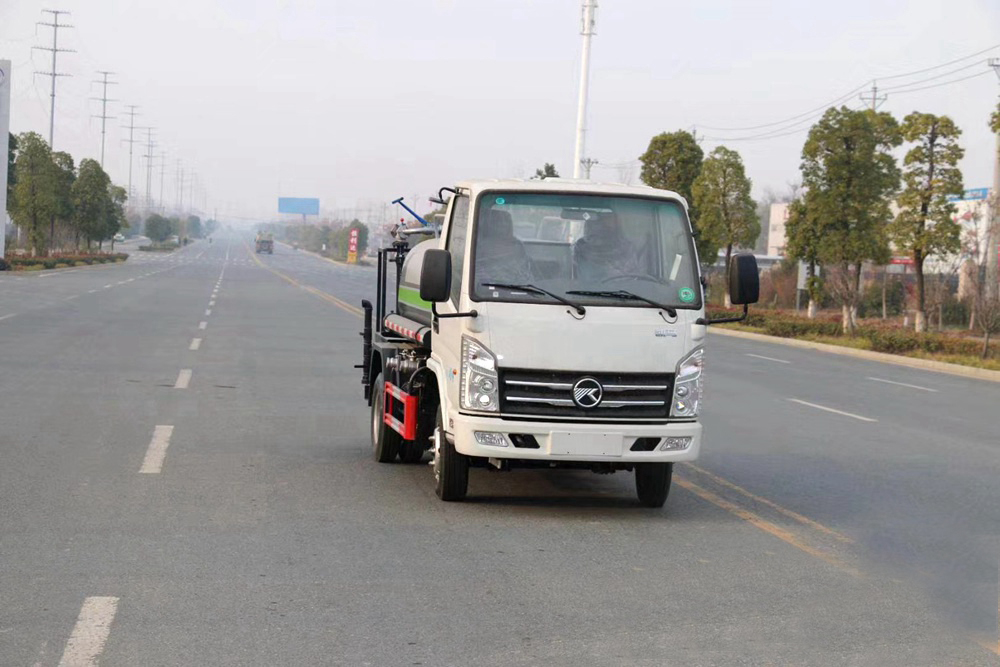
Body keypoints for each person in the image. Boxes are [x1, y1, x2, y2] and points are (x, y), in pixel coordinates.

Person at [572, 212, 642, 281]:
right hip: (586, 290)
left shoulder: (627, 248)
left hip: (624, 290)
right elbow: (574, 276)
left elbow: (633, 278)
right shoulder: (580, 248)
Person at [474, 209, 534, 286]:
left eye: (506, 221)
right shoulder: (480, 246)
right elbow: (477, 270)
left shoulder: (517, 245)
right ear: (491, 224)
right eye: (499, 221)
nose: (503, 224)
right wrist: (490, 282)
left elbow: (525, 270)